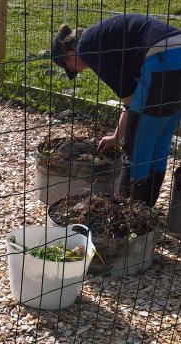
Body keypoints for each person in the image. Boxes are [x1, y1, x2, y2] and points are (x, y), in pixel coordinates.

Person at [51, 13, 181, 207]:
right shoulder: (102, 38)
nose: (78, 71)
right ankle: (145, 211)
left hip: (160, 58)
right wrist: (115, 137)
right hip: (176, 52)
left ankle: (128, 215)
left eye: (71, 67)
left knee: (136, 146)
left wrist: (122, 136)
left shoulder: (86, 47)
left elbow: (129, 99)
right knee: (159, 144)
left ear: (70, 52)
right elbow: (133, 97)